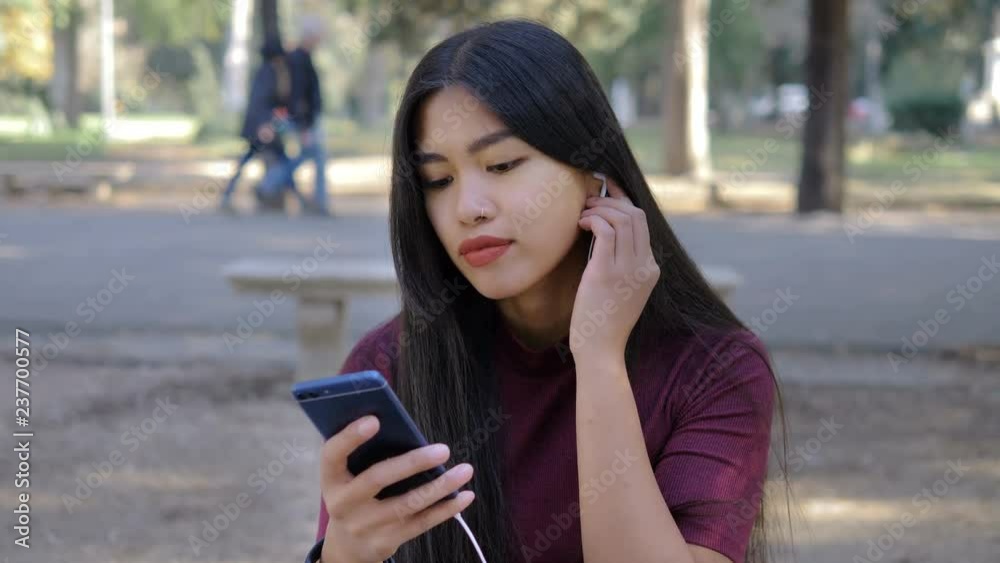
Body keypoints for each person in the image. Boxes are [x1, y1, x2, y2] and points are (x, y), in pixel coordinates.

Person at [303, 19, 787, 563]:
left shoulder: (714, 371)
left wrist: (599, 358)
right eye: (438, 180)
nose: (469, 208)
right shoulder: (389, 367)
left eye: (502, 164)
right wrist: (344, 554)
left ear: (595, 173)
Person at [221, 37, 308, 213]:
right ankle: (297, 199)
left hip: (264, 126)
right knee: (279, 161)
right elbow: (260, 102)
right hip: (262, 128)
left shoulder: (272, 72)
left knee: (270, 160)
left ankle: (228, 196)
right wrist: (265, 124)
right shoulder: (268, 73)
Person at [284, 18, 328, 216]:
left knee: (309, 156)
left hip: (307, 120)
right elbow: (299, 96)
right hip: (304, 121)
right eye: (317, 36)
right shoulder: (298, 59)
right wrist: (304, 127)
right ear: (309, 36)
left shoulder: (304, 57)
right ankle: (319, 202)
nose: (319, 41)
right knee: (316, 156)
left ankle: (269, 183)